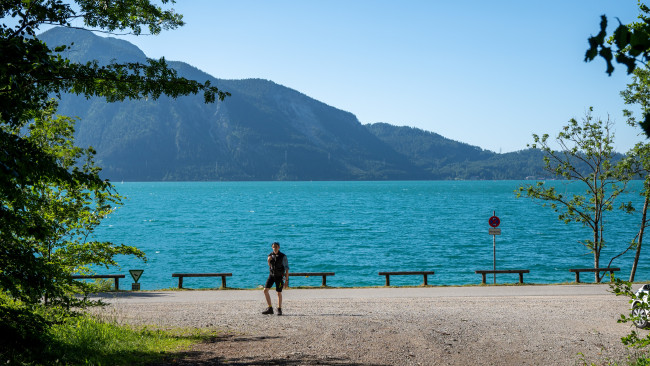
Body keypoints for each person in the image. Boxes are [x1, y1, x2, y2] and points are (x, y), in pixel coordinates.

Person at [262, 242, 289, 315]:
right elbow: (270, 266)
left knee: (279, 293)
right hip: (271, 275)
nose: (275, 248)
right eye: (273, 247)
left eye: (276, 247)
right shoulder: (270, 255)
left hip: (279, 276)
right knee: (265, 290)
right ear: (272, 248)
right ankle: (270, 308)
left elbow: (287, 269)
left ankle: (279, 309)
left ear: (279, 247)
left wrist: (286, 280)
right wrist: (268, 260)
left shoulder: (283, 256)